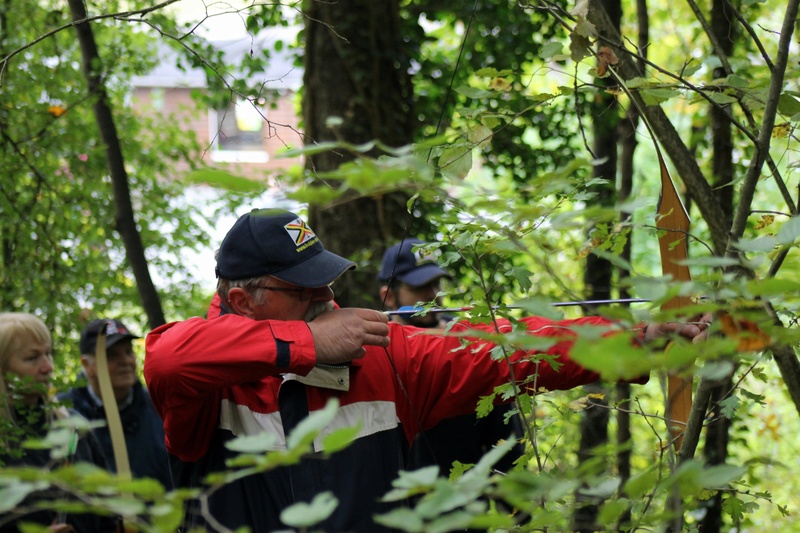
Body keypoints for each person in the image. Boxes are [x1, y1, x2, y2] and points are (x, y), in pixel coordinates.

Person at [143, 207, 709, 533]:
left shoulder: (386, 356)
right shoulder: (204, 373)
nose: (326, 297)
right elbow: (168, 357)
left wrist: (639, 339)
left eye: (328, 282)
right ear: (245, 301)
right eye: (305, 289)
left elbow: (504, 348)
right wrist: (305, 343)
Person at [378, 239, 525, 474]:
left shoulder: (472, 344)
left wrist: (517, 508)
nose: (433, 294)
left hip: (463, 501)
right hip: (396, 503)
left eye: (437, 283)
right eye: (420, 287)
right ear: (390, 296)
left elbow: (507, 444)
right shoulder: (372, 349)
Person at [0, 312, 116, 532]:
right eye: (32, 358)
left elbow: (106, 510)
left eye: (48, 354)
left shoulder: (73, 426)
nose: (48, 367)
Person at [57, 319, 173, 490]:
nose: (125, 361)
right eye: (111, 355)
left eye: (128, 352)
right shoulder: (64, 414)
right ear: (87, 365)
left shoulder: (159, 407)